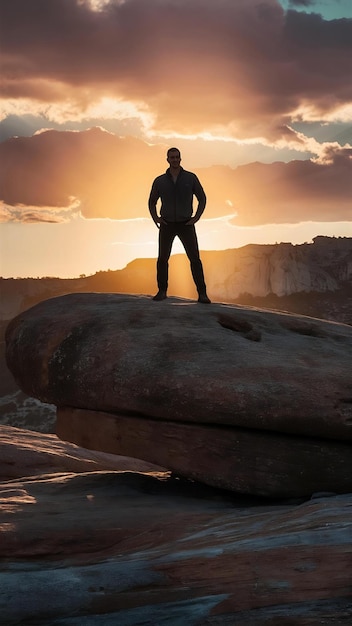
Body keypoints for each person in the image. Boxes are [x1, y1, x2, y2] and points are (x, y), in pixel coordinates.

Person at [148, 147, 211, 303]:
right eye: (172, 157)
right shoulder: (160, 181)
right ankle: (162, 291)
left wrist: (196, 217)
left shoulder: (190, 178)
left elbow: (202, 198)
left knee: (195, 259)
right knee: (162, 259)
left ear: (180, 159)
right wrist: (156, 217)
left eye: (177, 157)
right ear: (167, 159)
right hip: (167, 224)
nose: (175, 159)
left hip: (186, 224)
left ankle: (202, 294)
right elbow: (151, 201)